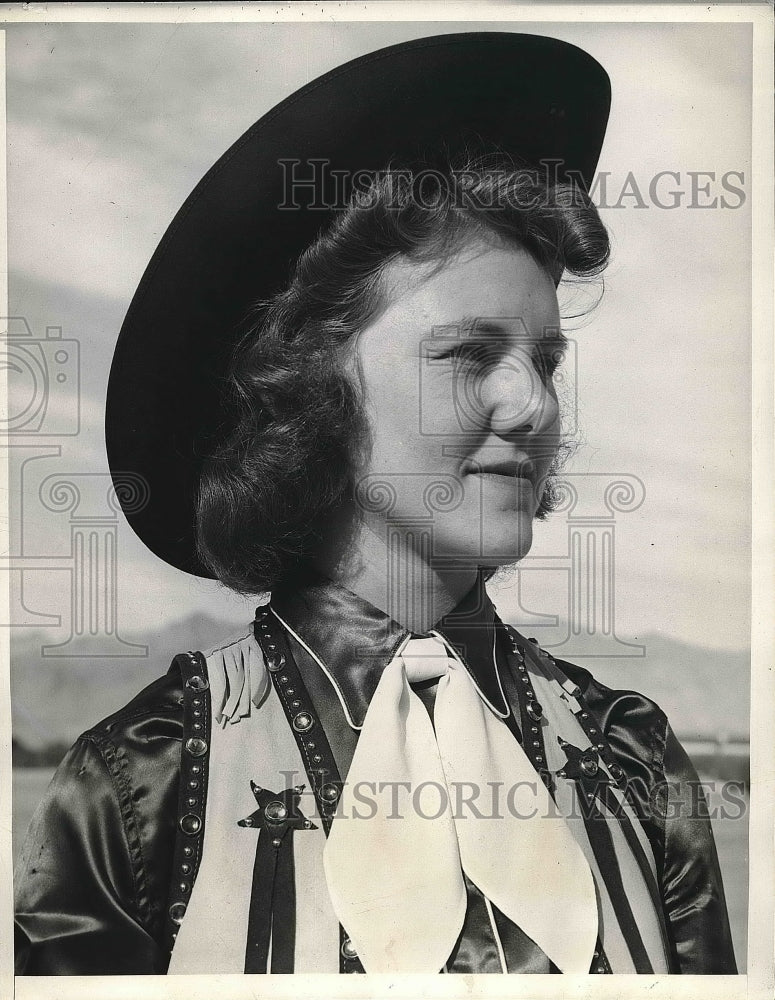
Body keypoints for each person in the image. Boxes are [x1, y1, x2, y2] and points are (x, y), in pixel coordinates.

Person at [14, 31, 737, 976]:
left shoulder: (627, 758)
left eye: (545, 361)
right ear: (310, 388)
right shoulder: (148, 781)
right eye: (470, 355)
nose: (534, 405)